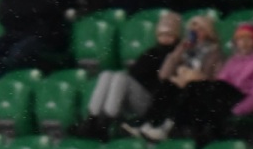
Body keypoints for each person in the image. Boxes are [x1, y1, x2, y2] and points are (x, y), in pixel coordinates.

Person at [152, 21, 253, 144]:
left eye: (248, 39)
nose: (243, 43)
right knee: (194, 87)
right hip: (227, 97)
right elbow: (221, 80)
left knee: (210, 90)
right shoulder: (234, 59)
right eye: (240, 39)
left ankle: (170, 126)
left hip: (244, 100)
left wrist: (237, 111)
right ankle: (174, 127)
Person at [77, 10, 183, 139]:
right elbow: (137, 72)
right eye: (161, 34)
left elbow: (161, 78)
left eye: (169, 34)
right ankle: (93, 119)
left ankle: (107, 122)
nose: (165, 38)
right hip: (135, 97)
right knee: (107, 74)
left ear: (176, 35)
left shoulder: (177, 54)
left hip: (152, 103)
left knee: (122, 77)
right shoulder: (152, 51)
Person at [128, 13, 223, 140]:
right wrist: (179, 50)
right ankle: (148, 124)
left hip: (201, 89)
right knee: (167, 85)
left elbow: (217, 80)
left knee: (185, 89)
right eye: (193, 29)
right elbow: (163, 74)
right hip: (182, 83)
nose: (196, 32)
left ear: (208, 31)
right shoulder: (186, 49)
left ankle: (166, 128)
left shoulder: (215, 53)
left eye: (200, 29)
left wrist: (199, 77)